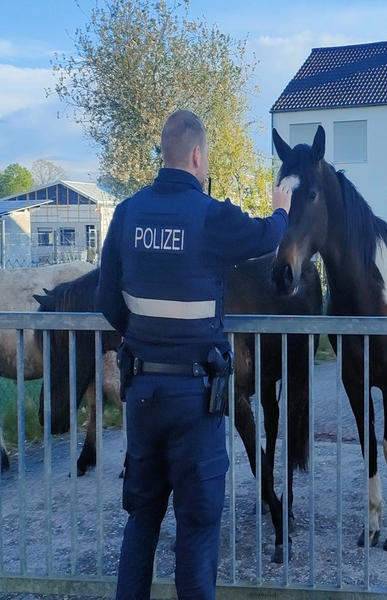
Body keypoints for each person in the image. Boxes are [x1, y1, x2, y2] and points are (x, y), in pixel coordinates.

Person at [96, 109, 292, 600]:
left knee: (141, 521)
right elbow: (266, 236)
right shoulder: (209, 215)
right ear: (198, 155)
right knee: (197, 530)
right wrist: (282, 208)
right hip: (196, 400)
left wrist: (142, 338)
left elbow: (106, 303)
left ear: (164, 153)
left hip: (141, 394)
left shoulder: (127, 214)